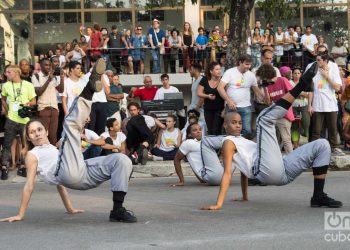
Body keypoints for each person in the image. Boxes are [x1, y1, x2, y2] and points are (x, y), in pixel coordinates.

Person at [0, 58, 137, 223]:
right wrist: (20, 214)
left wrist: (70, 208)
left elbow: (60, 187)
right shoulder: (32, 154)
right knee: (70, 127)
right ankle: (90, 88)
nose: (36, 133)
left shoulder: (54, 148)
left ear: (45, 131)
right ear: (28, 137)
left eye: (39, 129)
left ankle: (117, 210)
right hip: (68, 174)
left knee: (121, 160)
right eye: (32, 132)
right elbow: (30, 185)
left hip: (82, 172)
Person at [201, 62, 342, 210]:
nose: (238, 126)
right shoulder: (227, 142)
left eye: (239, 123)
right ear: (225, 125)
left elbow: (243, 170)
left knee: (322, 145)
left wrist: (244, 196)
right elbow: (228, 173)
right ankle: (301, 85)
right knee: (263, 119)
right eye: (233, 123)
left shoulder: (241, 140)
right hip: (266, 171)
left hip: (282, 168)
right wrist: (219, 204)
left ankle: (318, 196)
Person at [1, 65, 37, 180]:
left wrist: (28, 104)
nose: (6, 74)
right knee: (6, 144)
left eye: (8, 72)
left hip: (24, 120)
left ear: (16, 73)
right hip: (11, 119)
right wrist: (7, 111)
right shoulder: (5, 85)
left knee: (25, 144)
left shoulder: (28, 85)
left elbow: (34, 101)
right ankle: (4, 167)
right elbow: (2, 98)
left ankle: (22, 167)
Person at [218, 54, 263, 138]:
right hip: (232, 106)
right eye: (246, 64)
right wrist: (229, 101)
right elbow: (220, 88)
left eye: (250, 64)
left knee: (247, 131)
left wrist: (267, 98)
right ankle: (229, 148)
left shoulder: (251, 75)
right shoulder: (230, 72)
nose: (248, 66)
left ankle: (241, 149)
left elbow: (257, 91)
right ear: (240, 62)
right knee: (229, 130)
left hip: (246, 107)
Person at [308, 53, 344, 156]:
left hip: (331, 105)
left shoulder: (333, 70)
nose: (317, 61)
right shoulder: (314, 70)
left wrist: (326, 76)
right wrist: (310, 105)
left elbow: (337, 88)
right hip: (317, 105)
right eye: (316, 60)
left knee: (333, 129)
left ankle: (335, 148)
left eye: (319, 60)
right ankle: (313, 151)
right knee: (316, 130)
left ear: (325, 61)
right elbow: (311, 90)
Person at [32, 58, 64, 145]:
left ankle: (53, 157)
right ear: (41, 66)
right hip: (43, 109)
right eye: (46, 65)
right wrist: (48, 80)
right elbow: (38, 92)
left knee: (53, 136)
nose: (48, 67)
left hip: (54, 109)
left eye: (49, 65)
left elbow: (61, 90)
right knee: (43, 135)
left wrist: (61, 77)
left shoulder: (52, 77)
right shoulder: (36, 76)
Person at [197, 61, 225, 135]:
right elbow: (199, 93)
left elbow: (227, 95)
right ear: (211, 71)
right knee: (210, 130)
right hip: (208, 109)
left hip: (219, 109)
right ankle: (212, 145)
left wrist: (225, 109)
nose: (219, 71)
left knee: (216, 129)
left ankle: (217, 145)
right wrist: (207, 96)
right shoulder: (204, 80)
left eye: (220, 69)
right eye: (217, 69)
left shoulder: (223, 80)